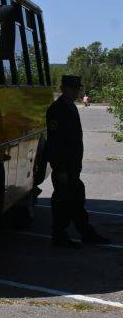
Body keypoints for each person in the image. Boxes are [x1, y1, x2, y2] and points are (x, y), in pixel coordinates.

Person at [46, 75, 110, 248]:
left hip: (72, 166)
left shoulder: (69, 106)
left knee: (76, 199)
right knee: (62, 202)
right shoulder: (58, 109)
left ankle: (85, 232)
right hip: (64, 168)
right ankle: (60, 236)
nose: (76, 92)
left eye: (77, 89)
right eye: (73, 88)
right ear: (63, 88)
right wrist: (60, 169)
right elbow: (55, 142)